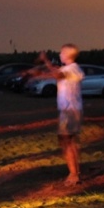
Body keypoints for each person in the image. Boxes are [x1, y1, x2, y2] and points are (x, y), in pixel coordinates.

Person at [38, 45, 84, 185]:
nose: (60, 54)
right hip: (70, 110)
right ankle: (75, 172)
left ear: (68, 54)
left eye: (62, 52)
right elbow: (57, 73)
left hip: (70, 111)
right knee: (68, 141)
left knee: (66, 142)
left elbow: (57, 74)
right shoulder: (69, 69)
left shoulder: (72, 68)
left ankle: (74, 175)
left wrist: (45, 60)